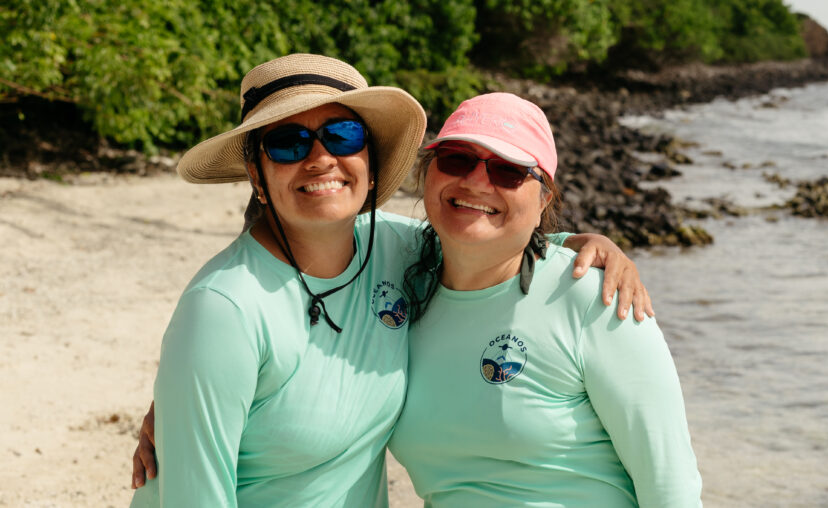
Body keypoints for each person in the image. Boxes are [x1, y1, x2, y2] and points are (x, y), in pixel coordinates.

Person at [127, 54, 651, 507]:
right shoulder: (224, 309)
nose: (320, 157)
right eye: (287, 143)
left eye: (342, 134)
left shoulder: (394, 249)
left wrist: (581, 246)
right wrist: (185, 392)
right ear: (256, 176)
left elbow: (484, 235)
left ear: (370, 163)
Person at [387, 93, 703, 507]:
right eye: (456, 158)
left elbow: (670, 484)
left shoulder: (594, 296)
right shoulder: (396, 268)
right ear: (427, 174)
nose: (477, 182)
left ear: (544, 200)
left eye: (508, 171)